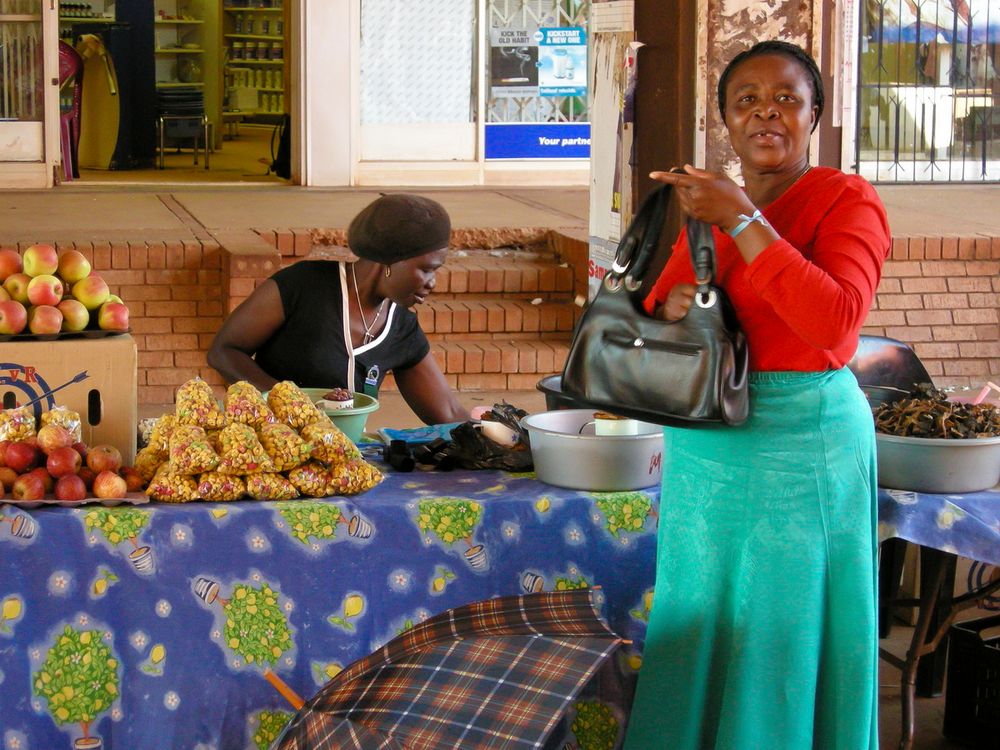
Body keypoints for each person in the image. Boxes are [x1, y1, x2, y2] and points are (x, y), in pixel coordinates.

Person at [623, 41, 890, 749]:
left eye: (785, 99)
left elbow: (834, 328)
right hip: (708, 445)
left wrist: (745, 219)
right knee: (701, 612)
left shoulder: (845, 200)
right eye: (746, 100)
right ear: (725, 122)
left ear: (816, 116)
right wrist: (674, 304)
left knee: (784, 621)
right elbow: (657, 305)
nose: (765, 112)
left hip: (802, 445)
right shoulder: (706, 208)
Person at [208, 193, 470, 425]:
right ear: (389, 260)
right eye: (426, 269)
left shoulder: (401, 328)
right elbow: (225, 350)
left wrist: (499, 436)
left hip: (343, 462)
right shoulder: (303, 286)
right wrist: (287, 402)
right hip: (271, 451)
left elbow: (448, 412)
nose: (433, 282)